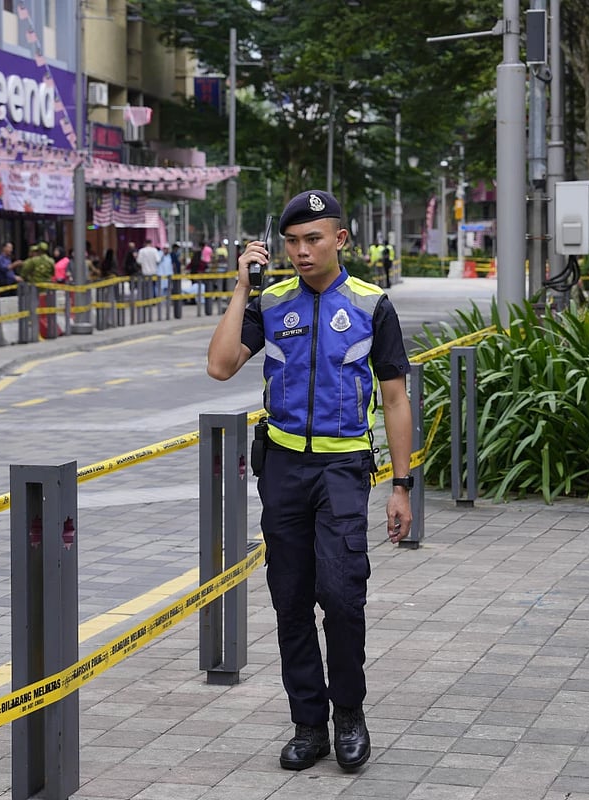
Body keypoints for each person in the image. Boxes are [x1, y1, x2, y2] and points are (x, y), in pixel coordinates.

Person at [206, 189, 413, 774]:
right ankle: (308, 724)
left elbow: (395, 399)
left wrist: (402, 485)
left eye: (312, 239)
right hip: (284, 468)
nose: (300, 251)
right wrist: (243, 285)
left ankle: (348, 712)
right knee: (290, 598)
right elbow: (220, 366)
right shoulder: (270, 302)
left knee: (343, 598)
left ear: (339, 240)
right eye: (291, 241)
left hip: (344, 468)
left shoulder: (373, 306)